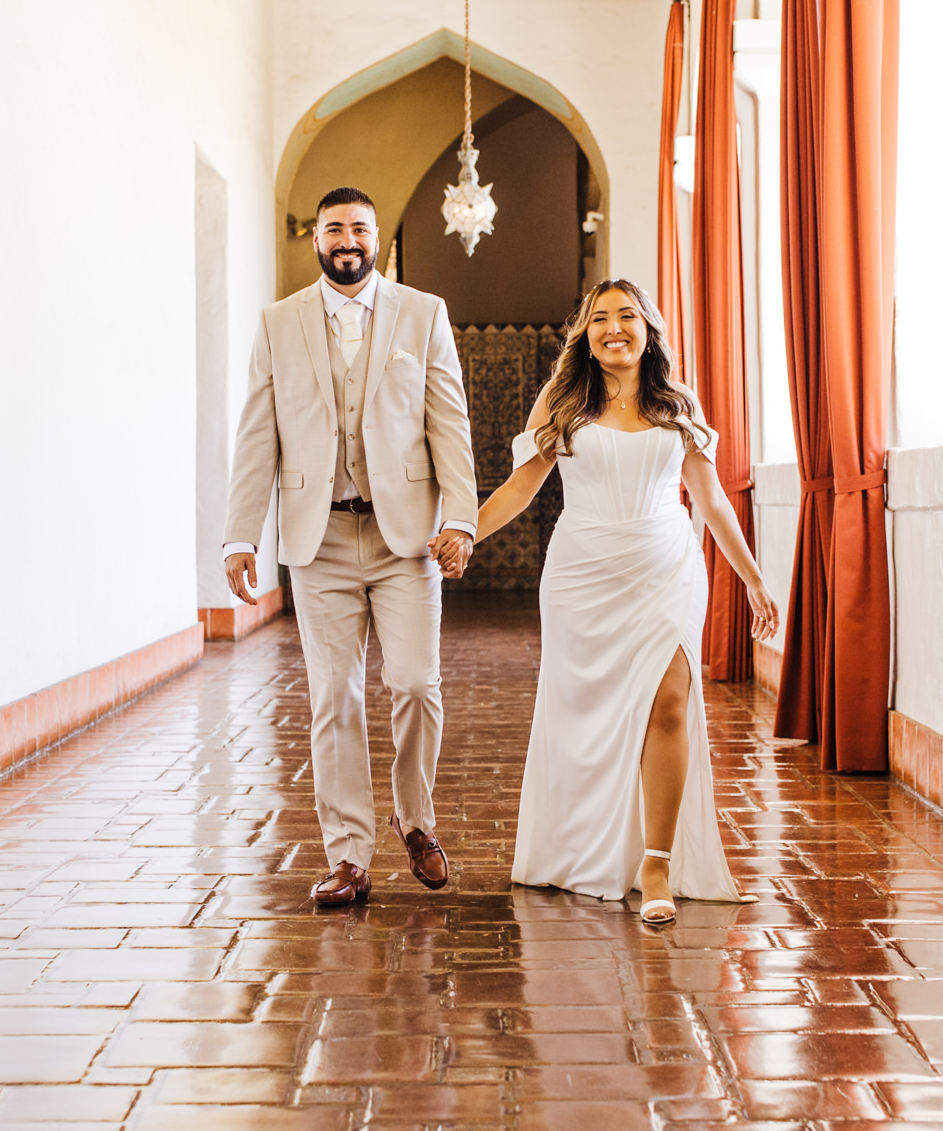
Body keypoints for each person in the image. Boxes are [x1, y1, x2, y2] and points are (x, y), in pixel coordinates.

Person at [457, 278, 778, 925]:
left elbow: (711, 502)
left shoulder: (676, 405)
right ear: (587, 334)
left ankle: (656, 863)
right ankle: (582, 846)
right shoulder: (564, 401)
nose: (613, 328)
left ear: (647, 328)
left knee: (669, 701)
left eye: (626, 316)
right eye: (599, 318)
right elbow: (522, 489)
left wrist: (752, 578)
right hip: (582, 576)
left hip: (667, 567)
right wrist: (463, 533)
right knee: (585, 719)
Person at [223, 187, 479, 908]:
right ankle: (348, 855)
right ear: (315, 239)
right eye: (334, 227)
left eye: (360, 228)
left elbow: (448, 424)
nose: (347, 238)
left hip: (405, 540)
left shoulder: (423, 314)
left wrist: (460, 518)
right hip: (319, 537)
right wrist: (242, 533)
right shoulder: (278, 323)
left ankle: (416, 820)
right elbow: (257, 434)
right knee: (333, 698)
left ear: (376, 238)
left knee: (416, 685)